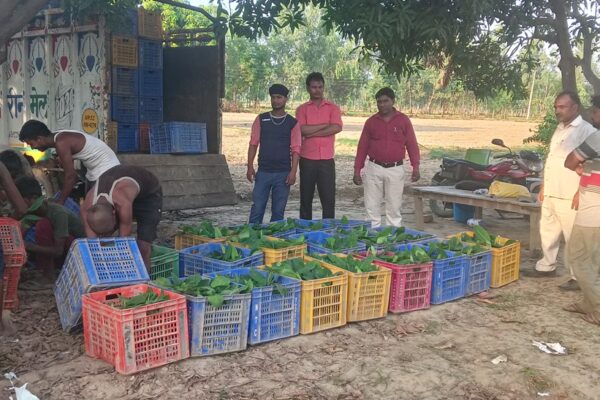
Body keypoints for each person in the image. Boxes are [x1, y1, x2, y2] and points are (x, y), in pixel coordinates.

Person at [526, 91, 596, 292]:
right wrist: (544, 186)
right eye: (556, 107)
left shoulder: (587, 131)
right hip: (552, 190)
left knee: (573, 236)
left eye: (562, 107)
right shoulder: (559, 129)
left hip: (571, 192)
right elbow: (553, 160)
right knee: (548, 231)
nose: (558, 111)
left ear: (575, 108)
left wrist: (580, 192)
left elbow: (590, 166)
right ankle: (546, 266)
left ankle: (577, 276)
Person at [353, 87, 420, 227]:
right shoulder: (371, 122)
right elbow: (362, 147)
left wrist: (416, 167)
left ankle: (393, 238)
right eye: (379, 102)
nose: (382, 104)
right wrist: (357, 170)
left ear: (393, 101)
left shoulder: (403, 120)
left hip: (396, 168)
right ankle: (372, 238)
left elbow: (412, 144)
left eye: (385, 101)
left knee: (394, 207)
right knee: (371, 206)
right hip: (374, 167)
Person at [19, 120, 120, 204]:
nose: (32, 148)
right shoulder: (59, 136)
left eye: (31, 144)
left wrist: (60, 202)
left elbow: (71, 176)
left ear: (39, 139)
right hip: (97, 170)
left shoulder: (61, 143)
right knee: (88, 209)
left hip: (106, 170)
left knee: (95, 210)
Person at [82, 165, 162, 270]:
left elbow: (123, 242)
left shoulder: (122, 203)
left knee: (143, 246)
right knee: (102, 243)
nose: (107, 235)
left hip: (149, 195)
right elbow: (94, 244)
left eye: (109, 231)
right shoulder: (86, 207)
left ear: (114, 212)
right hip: (125, 191)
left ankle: (144, 279)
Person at [247, 84, 301, 224]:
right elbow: (253, 143)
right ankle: (252, 238)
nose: (276, 100)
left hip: (283, 174)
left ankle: (273, 240)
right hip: (263, 172)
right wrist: (250, 167)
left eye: (279, 97)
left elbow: (296, 149)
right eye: (273, 97)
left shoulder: (292, 123)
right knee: (257, 208)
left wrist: (293, 172)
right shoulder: (261, 119)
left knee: (278, 212)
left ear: (285, 99)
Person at [563, 126, 600, 325]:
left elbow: (570, 160)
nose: (593, 118)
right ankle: (588, 302)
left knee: (577, 258)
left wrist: (579, 165)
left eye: (595, 112)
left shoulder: (597, 137)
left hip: (593, 212)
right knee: (593, 260)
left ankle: (598, 307)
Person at [15, 177, 85, 279]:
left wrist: (29, 246)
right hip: (59, 252)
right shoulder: (33, 213)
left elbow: (58, 250)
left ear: (33, 198)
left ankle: (48, 274)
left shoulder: (58, 213)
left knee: (43, 225)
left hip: (76, 252)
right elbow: (20, 232)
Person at [296, 72, 343, 220]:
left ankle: (328, 230)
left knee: (328, 199)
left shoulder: (333, 108)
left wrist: (310, 132)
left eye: (320, 87)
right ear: (308, 88)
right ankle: (305, 230)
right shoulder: (302, 109)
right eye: (314, 87)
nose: (317, 90)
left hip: (327, 160)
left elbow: (336, 127)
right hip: (307, 159)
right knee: (306, 198)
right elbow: (301, 130)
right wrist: (324, 126)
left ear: (324, 87)